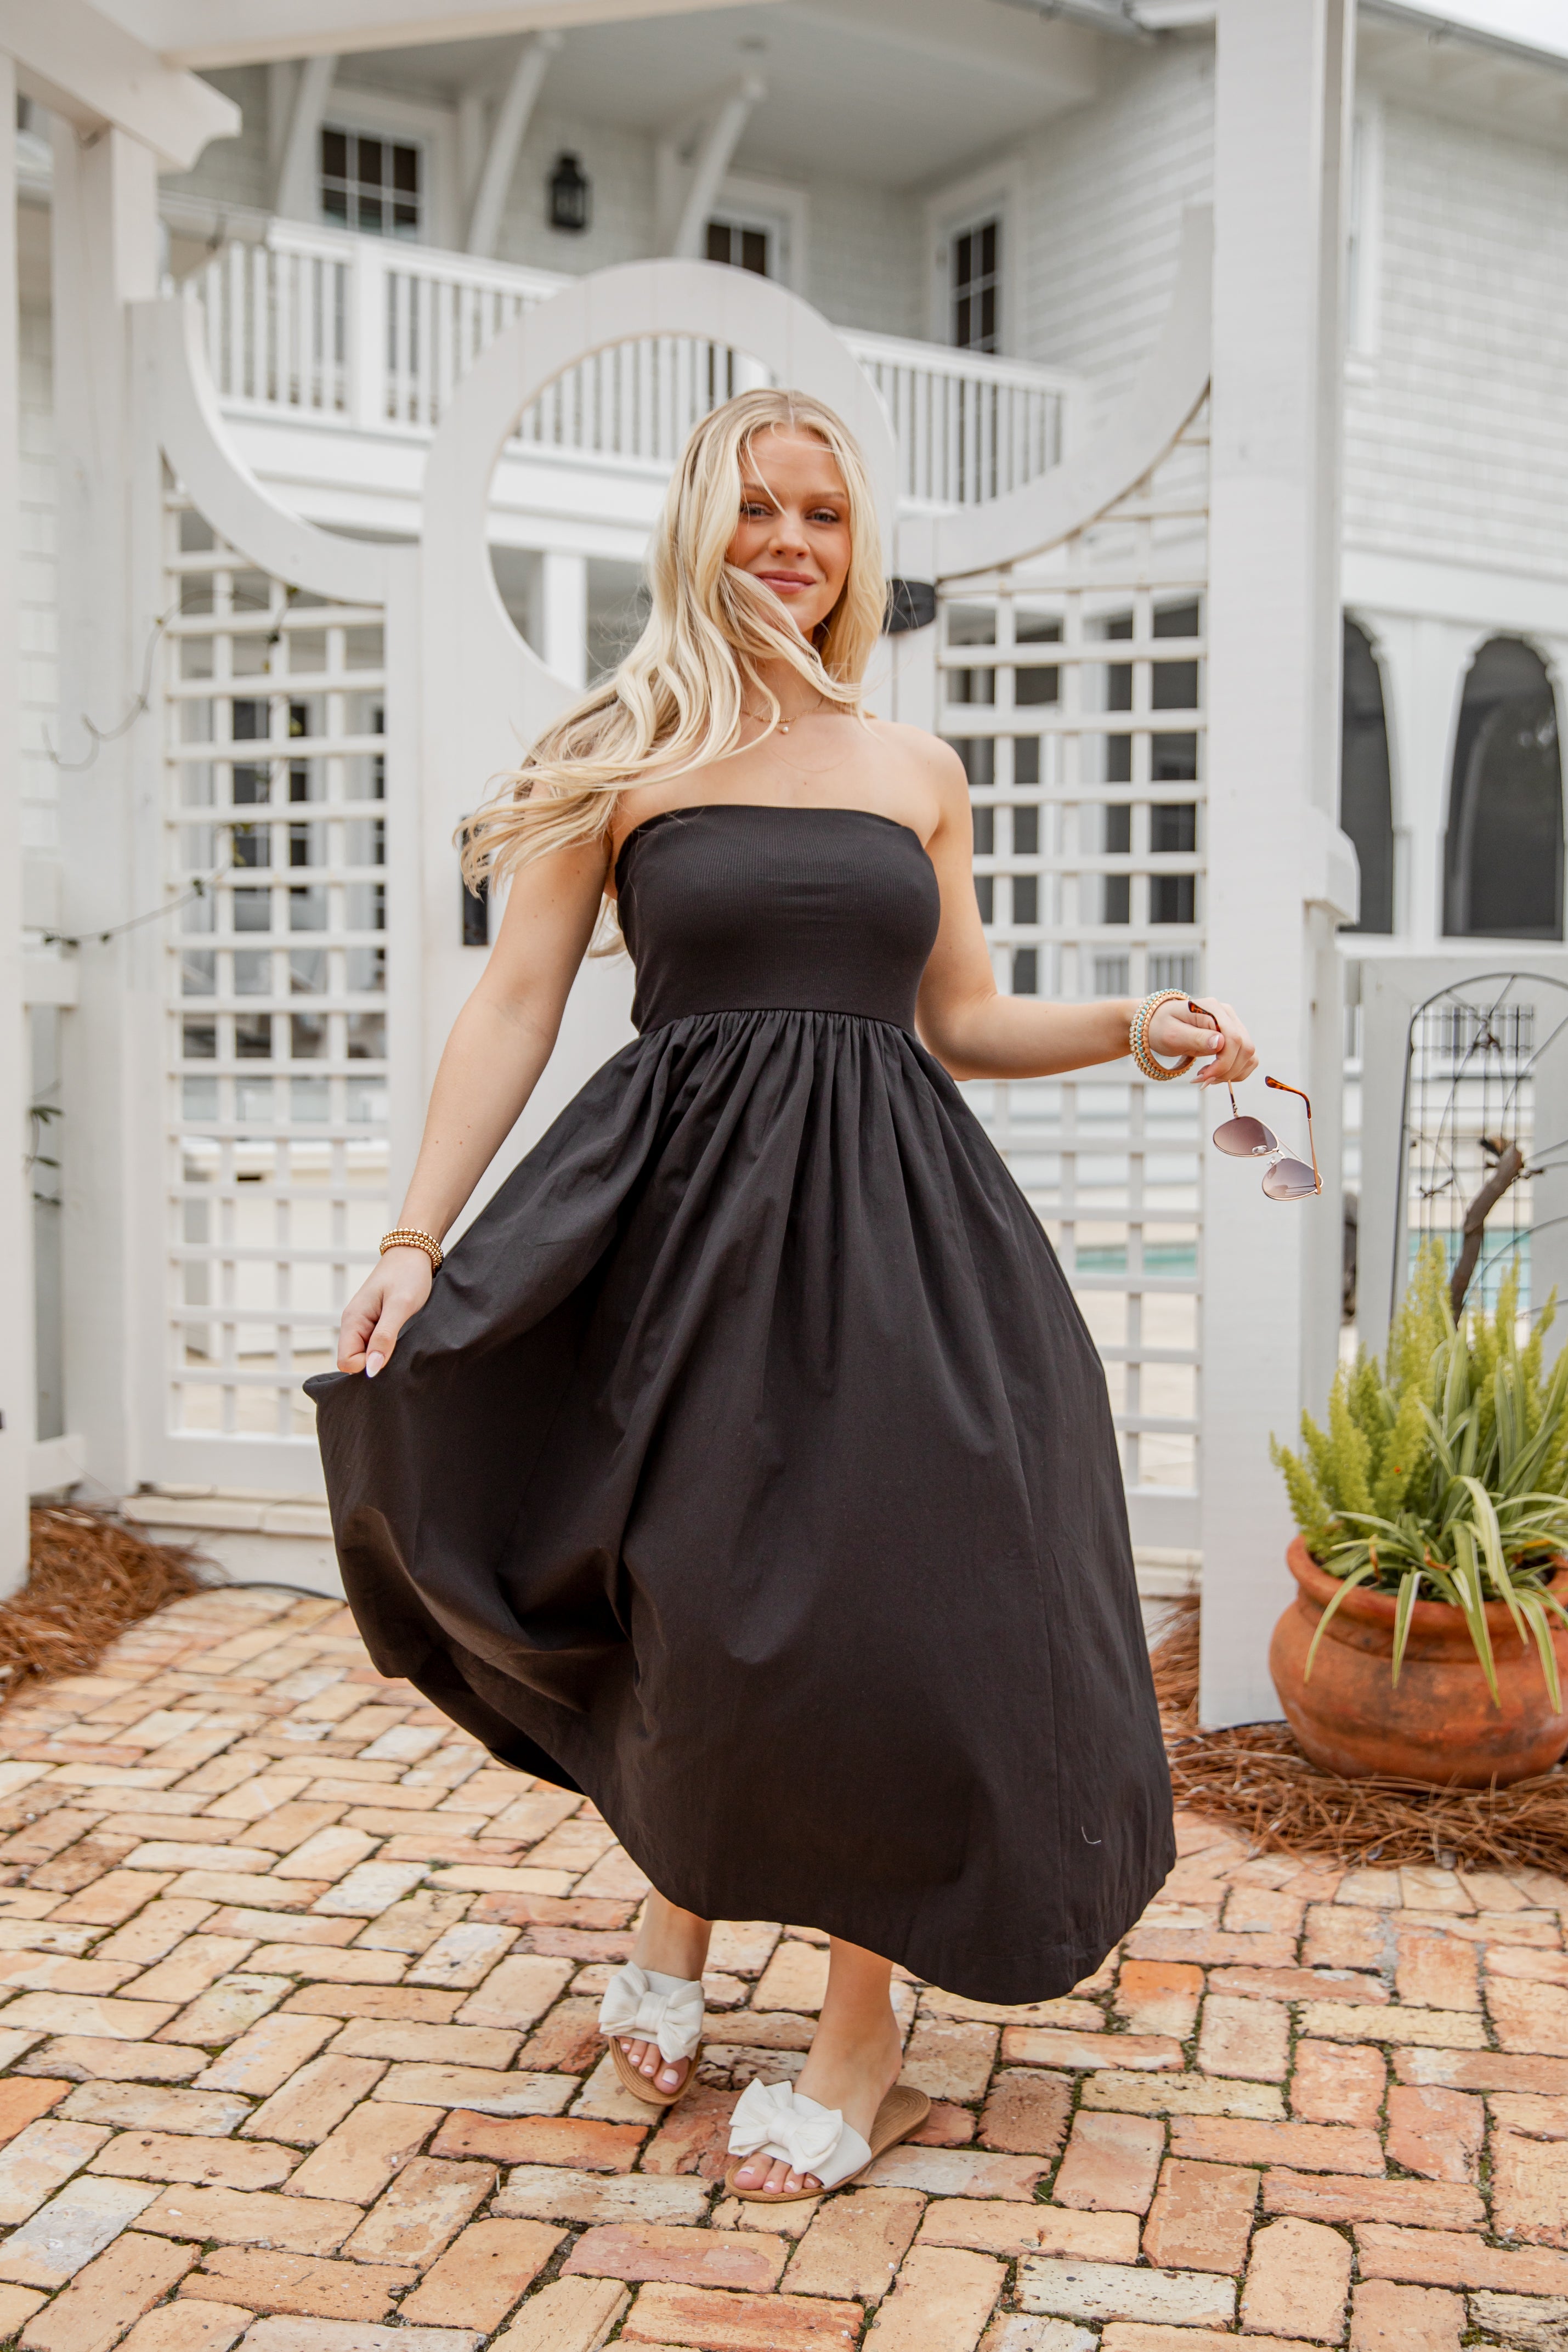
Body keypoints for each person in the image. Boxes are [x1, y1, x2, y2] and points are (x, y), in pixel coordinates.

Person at [307, 387, 1256, 2203]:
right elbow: (514, 1003)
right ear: (697, 526)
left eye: (820, 515)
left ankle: (859, 2034)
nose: (789, 544)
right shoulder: (623, 747)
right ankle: (676, 1918)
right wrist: (417, 1236)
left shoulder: (913, 771)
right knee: (691, 1590)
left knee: (872, 1613)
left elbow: (958, 1021)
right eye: (755, 509)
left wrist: (1132, 1029)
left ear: (855, 544)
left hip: (896, 1239)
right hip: (673, 1235)